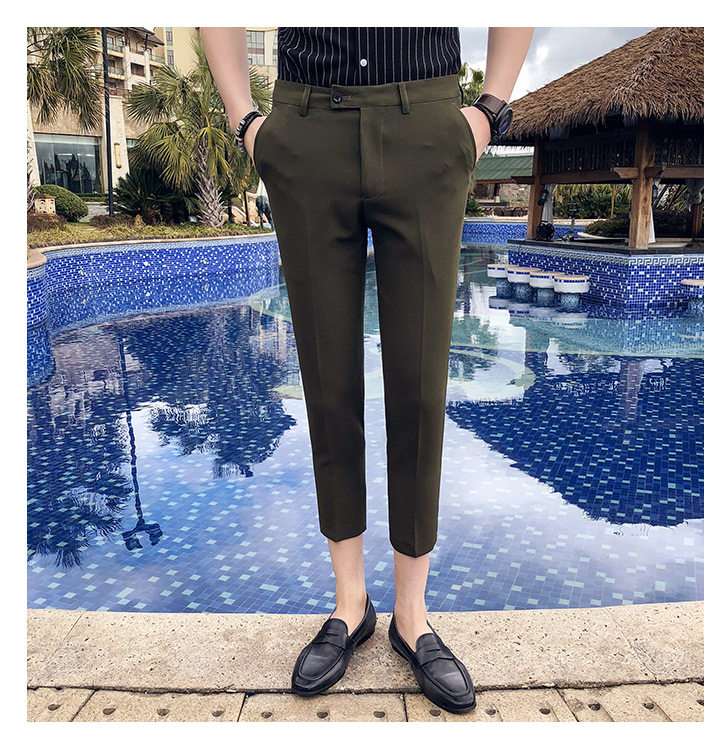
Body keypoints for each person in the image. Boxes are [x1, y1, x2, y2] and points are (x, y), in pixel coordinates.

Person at [201, 26, 533, 714]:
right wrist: (247, 124)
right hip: (306, 130)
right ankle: (350, 605)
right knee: (328, 385)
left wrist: (488, 112)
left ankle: (413, 616)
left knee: (420, 387)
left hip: (427, 126)